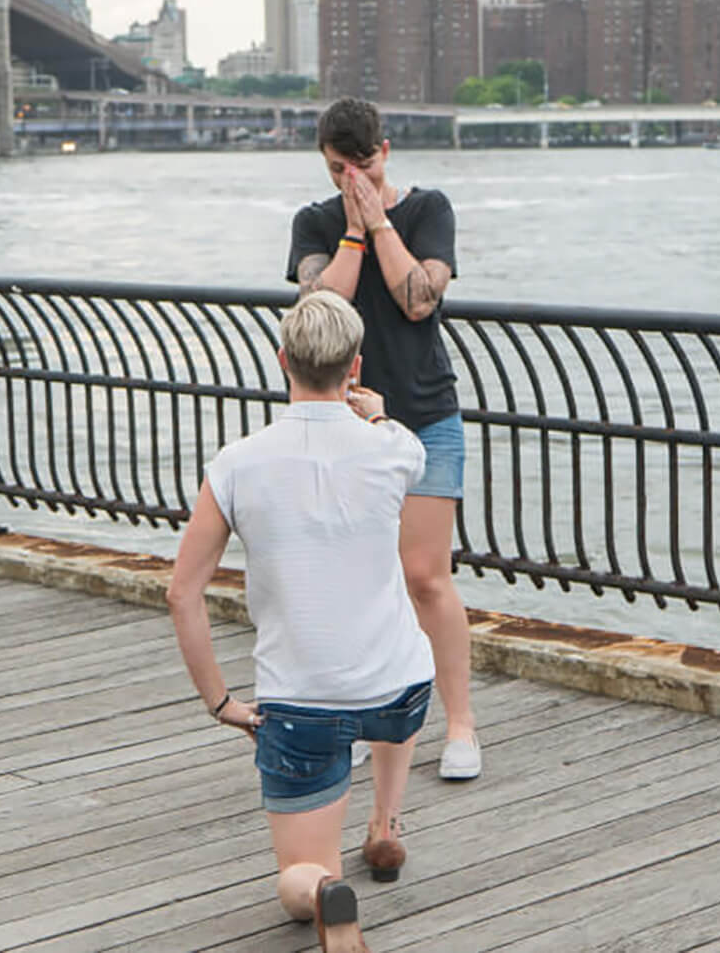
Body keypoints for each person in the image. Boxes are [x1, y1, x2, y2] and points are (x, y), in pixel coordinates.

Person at [167, 291, 434, 952]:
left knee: (298, 876)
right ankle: (385, 823)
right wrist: (377, 415)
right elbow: (392, 448)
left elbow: (183, 593)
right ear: (356, 365)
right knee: (393, 655)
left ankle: (324, 894)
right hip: (400, 692)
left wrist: (220, 702)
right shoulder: (394, 448)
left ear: (283, 359)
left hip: (301, 703)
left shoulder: (237, 463)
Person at [286, 97, 480, 782]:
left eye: (363, 164)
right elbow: (321, 310)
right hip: (345, 425)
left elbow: (418, 299)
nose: (353, 178)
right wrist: (353, 233)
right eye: (340, 168)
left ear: (385, 151)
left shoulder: (429, 212)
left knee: (426, 577)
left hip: (425, 414)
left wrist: (381, 221)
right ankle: (372, 715)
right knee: (359, 578)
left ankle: (460, 725)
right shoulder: (314, 223)